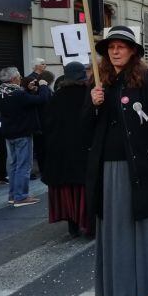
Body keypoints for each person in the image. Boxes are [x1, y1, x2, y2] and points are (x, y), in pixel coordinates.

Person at [85, 26, 148, 296]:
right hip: (106, 167)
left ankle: (141, 290)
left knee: (137, 229)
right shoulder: (99, 81)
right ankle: (112, 290)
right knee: (110, 231)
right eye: (111, 47)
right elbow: (85, 127)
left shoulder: (146, 78)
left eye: (122, 46)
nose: (115, 51)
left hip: (138, 165)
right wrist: (92, 104)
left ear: (133, 50)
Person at [41, 62, 91, 237]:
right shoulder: (89, 95)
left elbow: (47, 125)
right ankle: (88, 224)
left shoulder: (56, 96)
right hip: (83, 151)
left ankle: (73, 225)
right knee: (83, 189)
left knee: (67, 190)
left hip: (60, 153)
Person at [0, 67, 50, 207]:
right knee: (24, 165)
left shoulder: (1, 91)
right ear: (14, 78)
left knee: (14, 165)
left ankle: (13, 195)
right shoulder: (17, 94)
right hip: (22, 132)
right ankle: (21, 197)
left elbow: (23, 101)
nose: (20, 78)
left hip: (9, 132)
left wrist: (27, 89)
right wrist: (43, 86)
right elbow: (41, 99)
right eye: (19, 76)